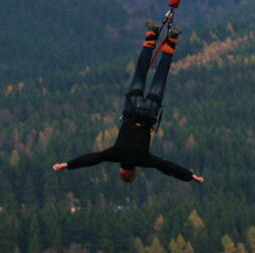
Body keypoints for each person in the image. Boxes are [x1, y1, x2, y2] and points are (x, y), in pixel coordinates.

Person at [53, 22, 205, 183]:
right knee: (140, 72)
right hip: (132, 108)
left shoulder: (143, 159)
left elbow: (166, 167)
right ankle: (151, 35)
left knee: (160, 77)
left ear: (134, 173)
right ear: (121, 170)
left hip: (148, 114)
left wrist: (191, 176)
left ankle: (172, 38)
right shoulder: (115, 154)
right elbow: (93, 158)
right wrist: (67, 165)